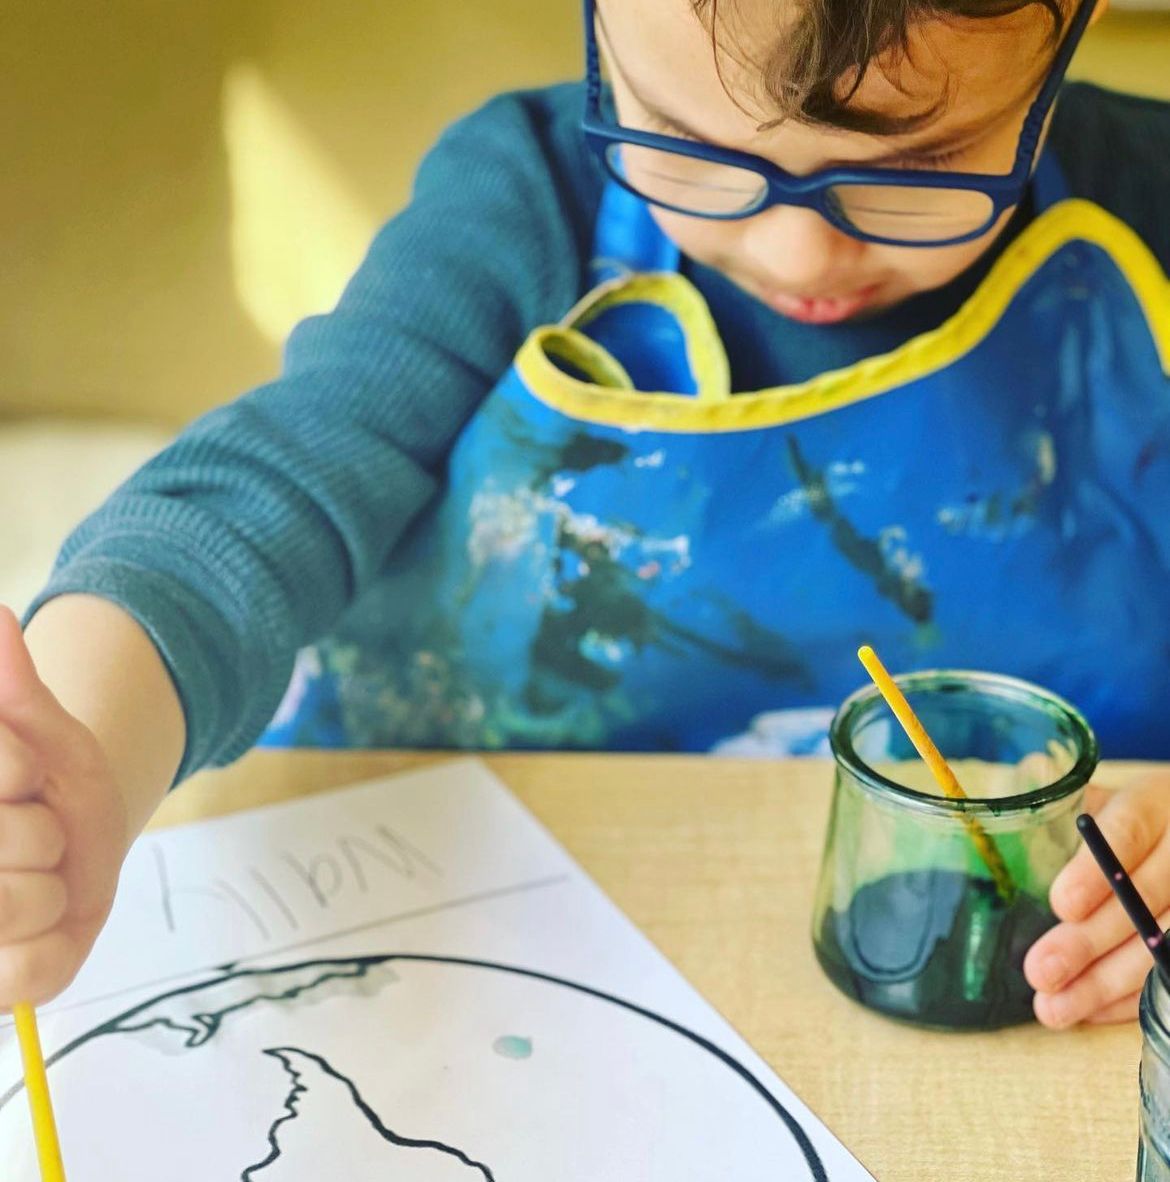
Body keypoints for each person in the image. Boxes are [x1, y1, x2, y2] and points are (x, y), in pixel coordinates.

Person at [1, 0, 1168, 1032]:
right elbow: (260, 508)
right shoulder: (525, 205)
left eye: (918, 166)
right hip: (440, 928)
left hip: (1019, 973)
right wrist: (75, 758)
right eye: (688, 143)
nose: (797, 249)